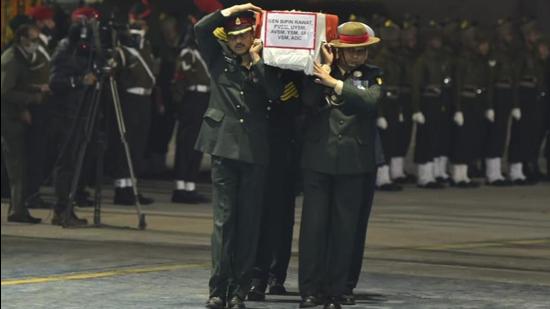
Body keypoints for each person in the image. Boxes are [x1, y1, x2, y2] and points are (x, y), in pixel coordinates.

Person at [193, 3, 283, 309]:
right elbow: (200, 30)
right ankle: (218, 288)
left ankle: (239, 290)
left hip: (255, 151)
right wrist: (235, 8)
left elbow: (274, 93)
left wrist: (257, 60)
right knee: (224, 221)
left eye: (244, 34)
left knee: (249, 222)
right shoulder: (218, 60)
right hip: (223, 147)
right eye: (234, 36)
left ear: (253, 35)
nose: (239, 40)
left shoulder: (267, 63)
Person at [298, 21, 382, 309]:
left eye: (362, 51)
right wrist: (324, 69)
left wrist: (335, 83)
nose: (358, 56)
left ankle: (337, 289)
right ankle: (310, 289)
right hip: (319, 159)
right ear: (338, 50)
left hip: (354, 161)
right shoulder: (319, 71)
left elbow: (370, 101)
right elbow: (307, 100)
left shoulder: (372, 76)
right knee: (314, 228)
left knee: (346, 229)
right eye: (352, 51)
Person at [48, 7, 101, 226]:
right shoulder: (65, 49)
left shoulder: (88, 51)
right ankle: (61, 208)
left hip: (83, 112)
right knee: (67, 162)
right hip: (67, 113)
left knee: (78, 160)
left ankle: (69, 205)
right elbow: (55, 82)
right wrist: (80, 81)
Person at [111, 2, 156, 205]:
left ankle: (133, 188)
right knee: (126, 144)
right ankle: (122, 189)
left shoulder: (144, 44)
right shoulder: (124, 47)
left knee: (138, 144)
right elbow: (115, 75)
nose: (142, 25)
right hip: (129, 98)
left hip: (144, 98)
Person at [1, 24, 45, 223]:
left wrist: (36, 87)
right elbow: (5, 91)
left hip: (13, 115)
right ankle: (17, 211)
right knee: (17, 166)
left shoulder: (20, 58)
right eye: (32, 39)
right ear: (21, 39)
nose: (35, 44)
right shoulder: (12, 60)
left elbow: (17, 84)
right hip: (8, 118)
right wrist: (31, 99)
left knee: (20, 165)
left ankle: (18, 208)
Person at [171, 15, 210, 204]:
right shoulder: (188, 53)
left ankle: (190, 186)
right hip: (192, 99)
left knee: (197, 144)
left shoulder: (204, 53)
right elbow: (183, 76)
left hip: (204, 99)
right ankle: (180, 187)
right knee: (187, 143)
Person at [411, 21, 452, 188]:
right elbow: (416, 85)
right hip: (427, 102)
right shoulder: (423, 60)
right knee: (425, 139)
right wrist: (416, 109)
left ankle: (432, 174)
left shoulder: (441, 58)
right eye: (435, 40)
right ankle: (424, 176)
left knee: (436, 137)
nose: (438, 43)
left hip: (438, 102)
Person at [451, 29, 493, 188]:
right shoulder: (463, 61)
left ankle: (464, 174)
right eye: (482, 45)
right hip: (465, 102)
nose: (485, 48)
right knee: (462, 139)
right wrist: (458, 109)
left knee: (471, 139)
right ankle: (457, 174)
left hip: (476, 102)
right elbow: (457, 85)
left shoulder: (480, 61)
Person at [25, 5, 57, 209]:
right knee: (34, 151)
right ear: (39, 23)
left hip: (43, 105)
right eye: (49, 20)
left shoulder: (44, 46)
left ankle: (33, 191)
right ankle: (30, 194)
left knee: (40, 150)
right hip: (34, 105)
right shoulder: (34, 48)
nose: (52, 24)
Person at [371, 19, 404, 191]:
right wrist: (380, 113)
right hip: (384, 103)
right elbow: (377, 89)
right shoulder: (381, 61)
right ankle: (381, 177)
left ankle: (387, 175)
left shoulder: (394, 59)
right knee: (383, 143)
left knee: (392, 141)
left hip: (392, 102)